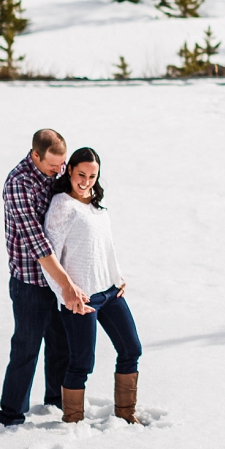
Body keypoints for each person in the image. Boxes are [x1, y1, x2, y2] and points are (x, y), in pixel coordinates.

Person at [0, 128, 92, 427]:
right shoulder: (18, 184)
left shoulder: (57, 170)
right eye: (53, 166)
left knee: (60, 342)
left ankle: (55, 400)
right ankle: (11, 414)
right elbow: (38, 243)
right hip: (30, 281)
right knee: (26, 346)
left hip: (59, 277)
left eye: (62, 166)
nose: (58, 172)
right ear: (35, 155)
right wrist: (67, 285)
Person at [45, 146, 143, 424]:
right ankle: (73, 420)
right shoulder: (62, 206)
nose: (86, 181)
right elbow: (50, 257)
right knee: (82, 363)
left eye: (92, 175)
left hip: (110, 293)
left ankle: (126, 414)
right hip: (81, 298)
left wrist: (118, 277)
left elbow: (106, 248)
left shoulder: (97, 207)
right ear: (70, 172)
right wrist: (65, 294)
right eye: (81, 174)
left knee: (131, 349)